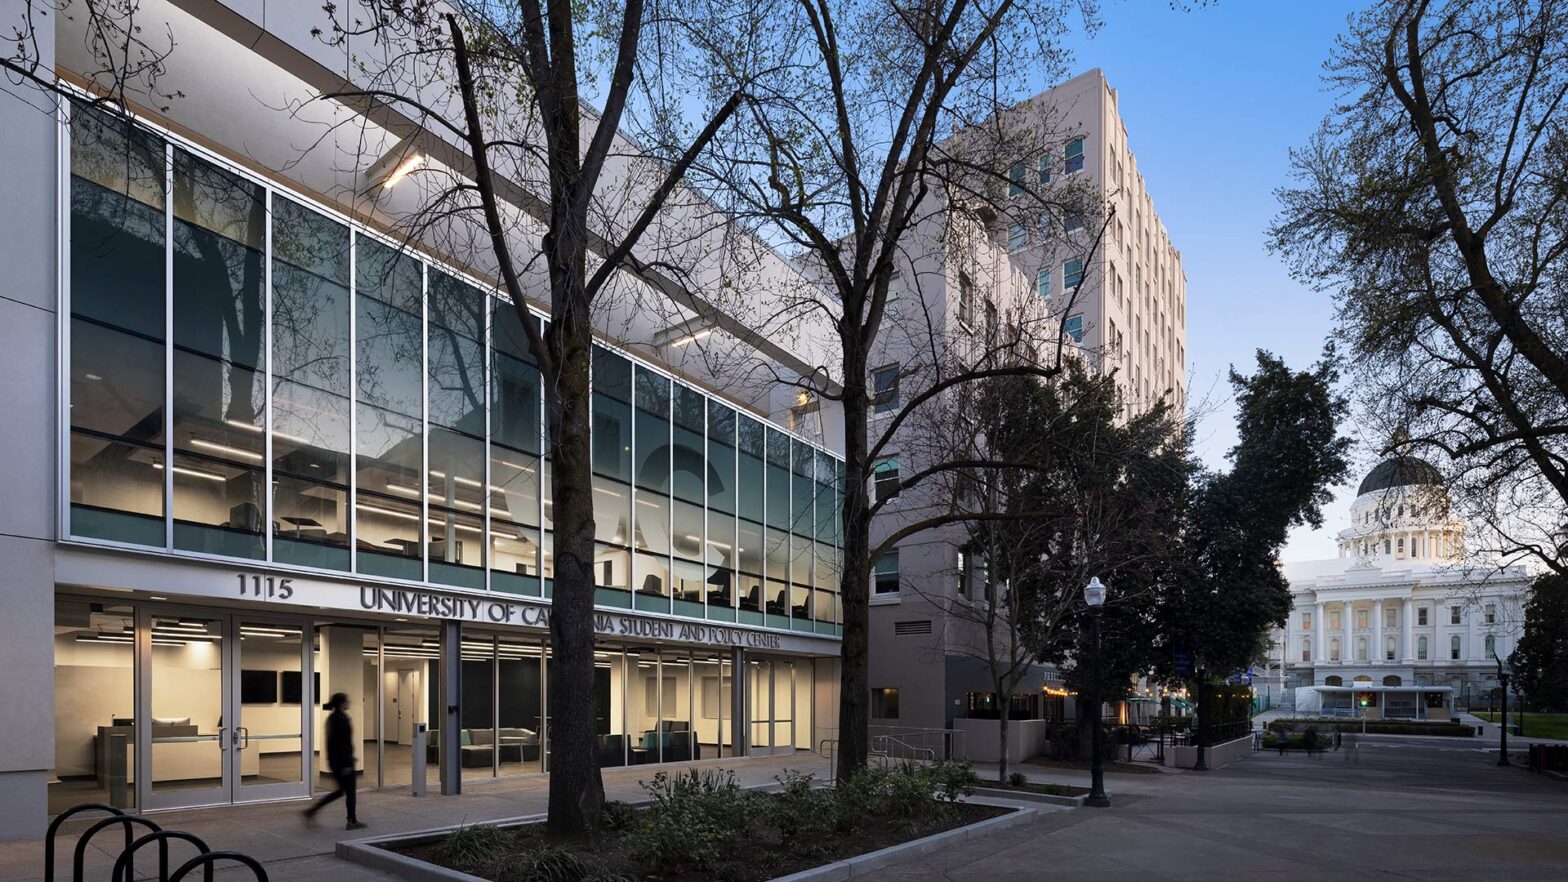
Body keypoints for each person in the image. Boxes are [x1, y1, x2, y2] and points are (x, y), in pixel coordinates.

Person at [304, 692, 366, 830]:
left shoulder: (332, 718)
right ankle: (352, 820)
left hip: (336, 761)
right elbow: (343, 743)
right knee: (350, 792)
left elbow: (332, 743)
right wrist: (347, 763)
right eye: (346, 701)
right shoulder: (342, 719)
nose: (349, 703)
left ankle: (312, 810)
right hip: (343, 763)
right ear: (342, 703)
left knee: (340, 791)